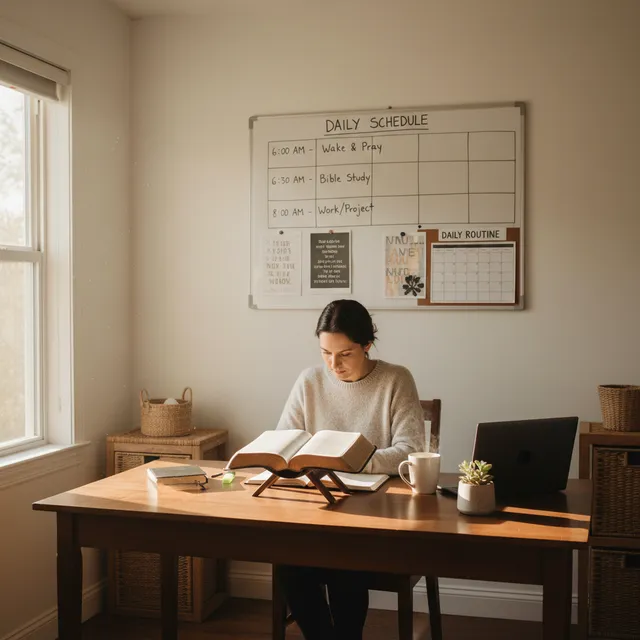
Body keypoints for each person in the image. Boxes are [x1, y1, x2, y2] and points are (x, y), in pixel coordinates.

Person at [275, 299, 425, 640]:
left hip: (373, 513)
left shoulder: (395, 379)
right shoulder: (309, 381)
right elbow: (286, 442)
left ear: (367, 345)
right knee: (287, 559)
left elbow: (410, 452)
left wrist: (348, 459)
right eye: (325, 353)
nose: (333, 364)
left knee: (346, 559)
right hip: (317, 508)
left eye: (345, 354)